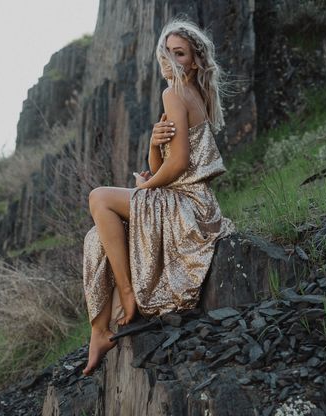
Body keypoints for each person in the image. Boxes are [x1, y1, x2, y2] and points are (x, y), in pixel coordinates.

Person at [82, 16, 236, 375]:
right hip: (186, 203)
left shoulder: (175, 92)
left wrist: (145, 189)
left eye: (178, 54)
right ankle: (99, 332)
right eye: (165, 54)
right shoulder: (185, 96)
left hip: (188, 205)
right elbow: (162, 162)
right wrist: (153, 146)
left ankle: (128, 293)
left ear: (195, 60)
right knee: (98, 235)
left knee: (99, 198)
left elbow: (181, 164)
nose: (170, 61)